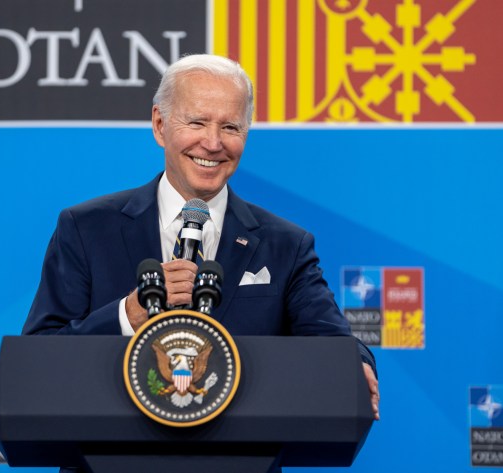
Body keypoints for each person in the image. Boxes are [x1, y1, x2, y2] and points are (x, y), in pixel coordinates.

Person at [22, 54, 379, 420]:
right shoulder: (86, 228)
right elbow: (37, 362)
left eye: (230, 128)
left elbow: (332, 342)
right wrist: (128, 315)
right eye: (197, 122)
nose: (213, 143)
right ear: (160, 125)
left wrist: (356, 363)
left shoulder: (286, 244)